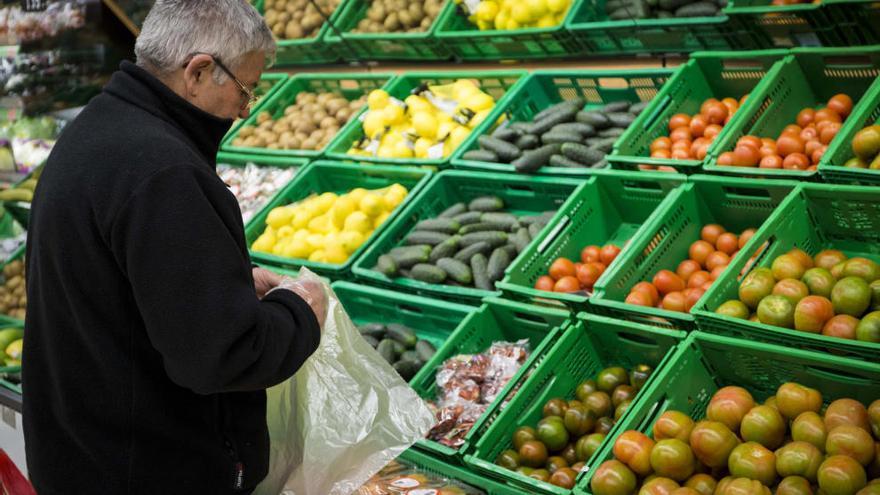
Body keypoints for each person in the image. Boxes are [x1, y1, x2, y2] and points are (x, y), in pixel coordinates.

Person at [22, 1, 327, 493]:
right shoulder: (166, 174)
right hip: (143, 469)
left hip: (81, 453)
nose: (246, 109)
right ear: (200, 71)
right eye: (246, 89)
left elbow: (121, 276)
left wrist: (222, 281)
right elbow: (223, 358)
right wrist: (300, 313)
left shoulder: (99, 126)